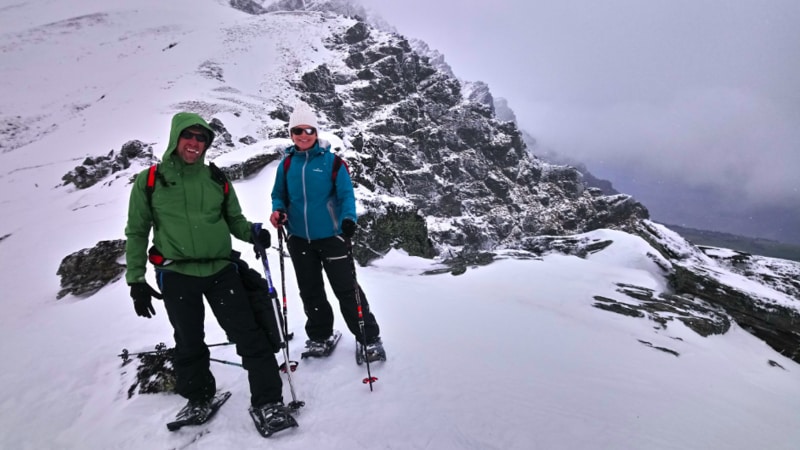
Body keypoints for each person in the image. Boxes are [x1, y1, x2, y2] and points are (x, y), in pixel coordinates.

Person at [124, 111, 296, 435]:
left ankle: (268, 402)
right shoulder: (150, 181)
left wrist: (253, 233)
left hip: (220, 270)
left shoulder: (216, 179)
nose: (194, 143)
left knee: (250, 335)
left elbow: (235, 220)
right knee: (188, 342)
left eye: (201, 138)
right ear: (176, 138)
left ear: (206, 144)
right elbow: (137, 231)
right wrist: (136, 280)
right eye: (188, 136)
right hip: (176, 274)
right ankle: (199, 397)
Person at [269, 102, 386, 364]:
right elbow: (279, 195)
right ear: (291, 134)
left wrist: (348, 220)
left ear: (316, 131)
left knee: (346, 289)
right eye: (297, 130)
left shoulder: (333, 163)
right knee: (310, 291)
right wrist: (278, 211)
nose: (303, 135)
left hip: (332, 237)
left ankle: (369, 338)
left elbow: (346, 195)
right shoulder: (286, 165)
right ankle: (320, 335)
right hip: (299, 238)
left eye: (308, 129)